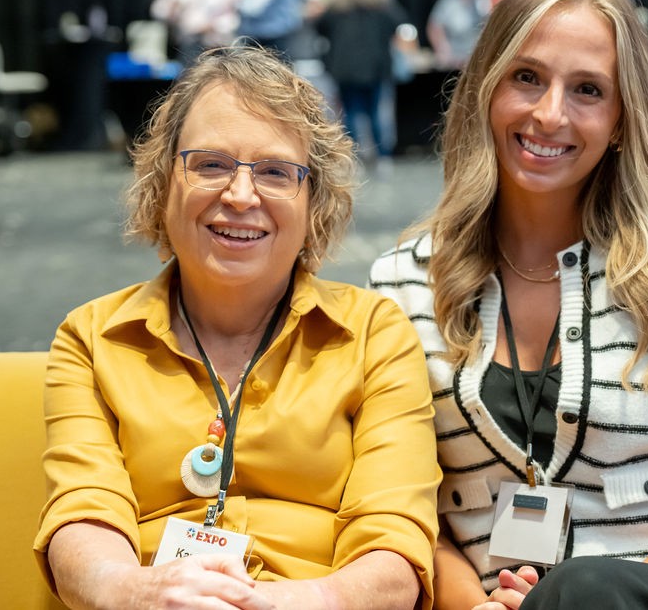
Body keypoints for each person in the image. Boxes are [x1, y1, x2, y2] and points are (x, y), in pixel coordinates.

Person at [369, 0, 648, 610]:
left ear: (623, 119)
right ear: (485, 87)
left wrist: (561, 604)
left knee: (585, 590)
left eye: (588, 90)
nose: (549, 114)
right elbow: (411, 521)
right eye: (527, 77)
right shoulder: (403, 282)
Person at [33, 45, 441, 609]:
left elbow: (396, 545)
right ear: (163, 180)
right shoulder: (92, 338)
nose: (241, 195)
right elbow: (83, 515)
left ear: (313, 202)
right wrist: (136, 592)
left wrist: (298, 603)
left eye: (275, 172)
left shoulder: (376, 335)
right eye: (211, 164)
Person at [316, 0, 407, 175]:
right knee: (377, 114)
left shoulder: (335, 9)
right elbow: (401, 26)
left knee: (352, 115)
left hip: (345, 71)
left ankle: (354, 161)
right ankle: (383, 159)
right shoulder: (382, 7)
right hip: (375, 70)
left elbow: (319, 28)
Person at [426, 0, 489, 70]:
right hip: (453, 57)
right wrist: (442, 49)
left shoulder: (482, 0)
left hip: (476, 56)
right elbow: (434, 27)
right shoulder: (448, 2)